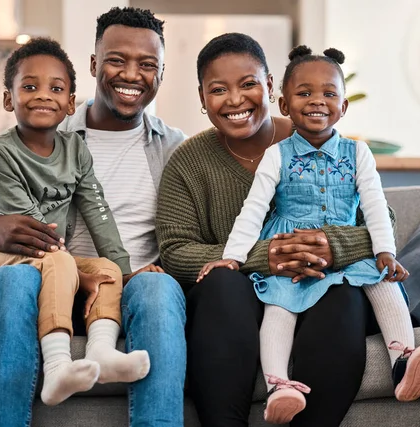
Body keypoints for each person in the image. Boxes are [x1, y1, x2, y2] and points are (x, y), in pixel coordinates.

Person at [0, 7, 186, 427]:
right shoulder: (47, 131)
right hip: (42, 283)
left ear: (160, 74)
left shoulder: (172, 147)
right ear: (93, 66)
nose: (131, 75)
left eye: (147, 65)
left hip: (125, 287)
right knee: (14, 278)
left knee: (158, 288)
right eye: (116, 60)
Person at [156, 33, 396, 427]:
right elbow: (175, 250)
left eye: (248, 84)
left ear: (270, 87)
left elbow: (386, 222)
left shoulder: (317, 136)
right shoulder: (188, 161)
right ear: (202, 98)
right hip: (239, 303)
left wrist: (332, 245)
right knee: (221, 285)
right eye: (218, 90)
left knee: (345, 294)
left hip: (322, 289)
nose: (235, 100)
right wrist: (261, 257)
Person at [197, 45, 420, 423]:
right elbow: (254, 208)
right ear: (284, 103)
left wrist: (385, 251)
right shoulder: (277, 155)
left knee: (384, 285)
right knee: (280, 306)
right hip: (290, 245)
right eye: (304, 93)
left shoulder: (358, 153)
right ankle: (279, 385)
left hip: (345, 247)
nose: (317, 101)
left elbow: (375, 205)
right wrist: (234, 256)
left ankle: (404, 361)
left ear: (343, 106)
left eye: (329, 93)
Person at [0, 37, 152, 407]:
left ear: (70, 103)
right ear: (8, 99)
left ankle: (100, 350)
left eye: (56, 88)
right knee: (59, 258)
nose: (43, 95)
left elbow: (97, 210)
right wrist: (73, 273)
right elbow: (32, 227)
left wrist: (124, 270)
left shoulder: (75, 150)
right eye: (29, 87)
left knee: (106, 268)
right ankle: (56, 366)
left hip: (52, 255)